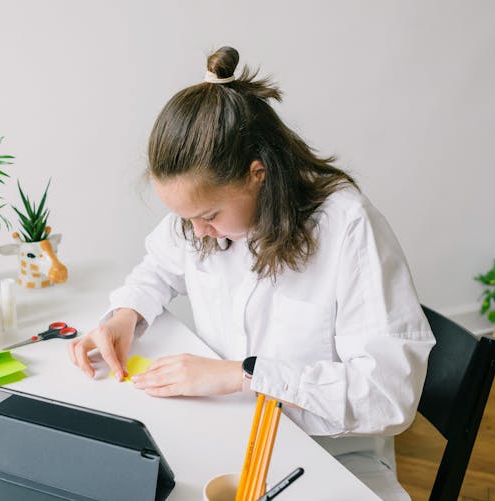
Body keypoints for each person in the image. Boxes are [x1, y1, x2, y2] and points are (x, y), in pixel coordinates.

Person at [67, 46, 435, 500]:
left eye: (208, 215)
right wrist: (124, 314)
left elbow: (388, 395)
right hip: (231, 433)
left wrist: (242, 374)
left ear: (256, 173)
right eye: (187, 219)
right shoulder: (200, 220)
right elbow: (160, 265)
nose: (198, 231)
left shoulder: (347, 227)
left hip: (330, 458)